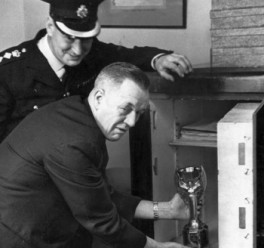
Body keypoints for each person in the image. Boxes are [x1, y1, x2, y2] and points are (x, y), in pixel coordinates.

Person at [0, 62, 196, 248]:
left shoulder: (75, 112)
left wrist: (166, 210)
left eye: (140, 112)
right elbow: (100, 219)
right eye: (126, 108)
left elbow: (99, 194)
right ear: (99, 96)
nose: (132, 122)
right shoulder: (75, 141)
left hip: (25, 239)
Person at [0, 0, 193, 142]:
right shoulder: (9, 71)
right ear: (50, 26)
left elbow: (126, 55)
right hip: (25, 185)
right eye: (69, 38)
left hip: (80, 167)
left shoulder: (93, 54)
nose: (78, 50)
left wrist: (159, 59)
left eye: (86, 39)